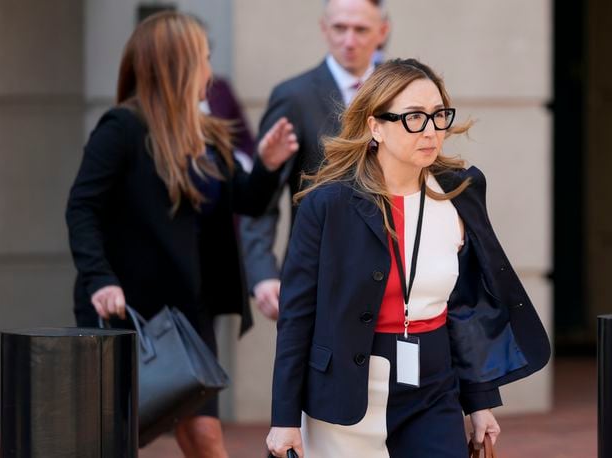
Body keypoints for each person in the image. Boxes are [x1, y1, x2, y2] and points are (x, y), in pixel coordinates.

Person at [264, 58, 551, 458]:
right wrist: (284, 419)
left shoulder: (460, 193)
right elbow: (297, 317)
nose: (431, 130)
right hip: (346, 389)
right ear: (375, 126)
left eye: (438, 116)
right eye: (414, 118)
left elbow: (466, 303)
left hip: (434, 386)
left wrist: (480, 401)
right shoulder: (327, 206)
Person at [65, 12, 298, 457]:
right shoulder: (122, 130)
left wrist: (267, 166)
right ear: (177, 65)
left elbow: (244, 201)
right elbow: (82, 208)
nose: (210, 71)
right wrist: (99, 278)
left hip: (189, 311)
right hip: (126, 308)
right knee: (115, 438)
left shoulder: (207, 133)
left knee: (204, 434)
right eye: (203, 59)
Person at [240, 0, 390, 320]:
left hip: (394, 272)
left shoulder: (401, 95)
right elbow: (261, 195)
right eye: (339, 28)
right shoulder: (293, 96)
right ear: (324, 28)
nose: (349, 41)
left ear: (382, 31)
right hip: (319, 275)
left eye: (361, 29)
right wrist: (263, 271)